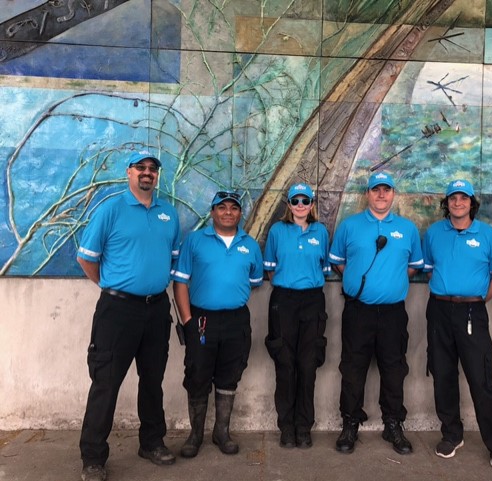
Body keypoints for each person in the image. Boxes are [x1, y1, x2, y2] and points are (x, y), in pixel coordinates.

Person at [76, 151, 181, 481]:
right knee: (106, 383)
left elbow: (172, 259)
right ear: (129, 172)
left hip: (156, 309)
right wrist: (111, 286)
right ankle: (93, 457)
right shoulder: (111, 209)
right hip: (117, 311)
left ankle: (151, 443)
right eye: (141, 168)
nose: (147, 173)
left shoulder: (169, 214)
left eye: (152, 169)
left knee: (152, 381)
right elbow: (86, 259)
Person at [329, 171, 423, 455]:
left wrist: (390, 284)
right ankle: (350, 422)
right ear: (367, 194)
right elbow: (338, 263)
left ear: (393, 194)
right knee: (352, 368)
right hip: (358, 312)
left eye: (386, 189)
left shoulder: (407, 229)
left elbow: (413, 267)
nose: (381, 194)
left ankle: (392, 424)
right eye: (376, 189)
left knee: (394, 369)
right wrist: (357, 282)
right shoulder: (349, 226)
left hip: (393, 313)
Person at [421, 179, 492, 470]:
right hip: (439, 310)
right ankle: (452, 434)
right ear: (446, 203)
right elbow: (429, 270)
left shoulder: (488, 235)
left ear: (472, 203)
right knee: (443, 374)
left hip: (473, 312)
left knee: (481, 378)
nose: (458, 203)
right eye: (452, 198)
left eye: (463, 198)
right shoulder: (434, 233)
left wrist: (477, 300)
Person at [172, 190, 263, 459]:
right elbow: (180, 282)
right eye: (221, 207)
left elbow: (254, 281)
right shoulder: (195, 241)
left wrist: (229, 294)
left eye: (233, 208)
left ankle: (221, 432)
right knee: (197, 374)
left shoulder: (250, 245)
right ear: (212, 212)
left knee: (229, 375)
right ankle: (195, 435)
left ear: (240, 213)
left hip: (236, 320)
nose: (227, 212)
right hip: (201, 319)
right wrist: (187, 321)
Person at [263, 183, 331, 449]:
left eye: (305, 201)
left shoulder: (320, 232)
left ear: (312, 205)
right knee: (285, 364)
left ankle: (304, 426)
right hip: (284, 301)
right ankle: (286, 426)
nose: (300, 205)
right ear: (288, 205)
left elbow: (324, 267)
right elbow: (271, 270)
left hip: (312, 301)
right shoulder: (277, 231)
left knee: (307, 365)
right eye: (295, 201)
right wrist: (289, 283)